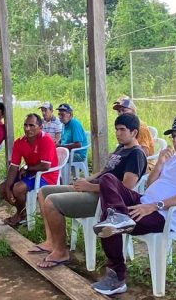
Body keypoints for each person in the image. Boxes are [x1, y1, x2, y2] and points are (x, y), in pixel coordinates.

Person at [91, 115, 176, 297]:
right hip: (144, 202)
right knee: (108, 180)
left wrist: (156, 206)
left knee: (108, 223)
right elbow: (150, 186)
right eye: (174, 137)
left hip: (164, 215)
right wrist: (161, 163)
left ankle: (117, 276)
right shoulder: (174, 159)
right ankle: (118, 217)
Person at [31, 113, 148, 269]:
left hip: (104, 199)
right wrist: (86, 180)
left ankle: (60, 252)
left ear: (134, 132)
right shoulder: (121, 148)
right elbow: (103, 172)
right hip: (92, 189)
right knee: (44, 191)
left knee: (51, 202)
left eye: (122, 130)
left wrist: (91, 187)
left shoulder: (136, 154)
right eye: (116, 129)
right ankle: (51, 241)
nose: (118, 133)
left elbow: (126, 187)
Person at [0, 114, 60, 226]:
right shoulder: (19, 142)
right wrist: (8, 188)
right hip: (31, 173)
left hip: (46, 175)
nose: (27, 129)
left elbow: (45, 166)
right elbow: (14, 166)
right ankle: (24, 213)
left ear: (40, 128)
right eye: (25, 125)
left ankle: (20, 215)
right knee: (2, 188)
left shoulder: (46, 140)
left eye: (32, 125)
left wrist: (27, 168)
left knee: (17, 188)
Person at [56, 103, 89, 167]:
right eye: (59, 114)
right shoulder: (64, 124)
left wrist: (61, 146)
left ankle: (60, 176)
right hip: (68, 151)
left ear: (70, 115)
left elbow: (78, 145)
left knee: (55, 158)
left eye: (62, 114)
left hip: (77, 154)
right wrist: (57, 144)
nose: (60, 117)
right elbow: (63, 139)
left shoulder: (74, 124)